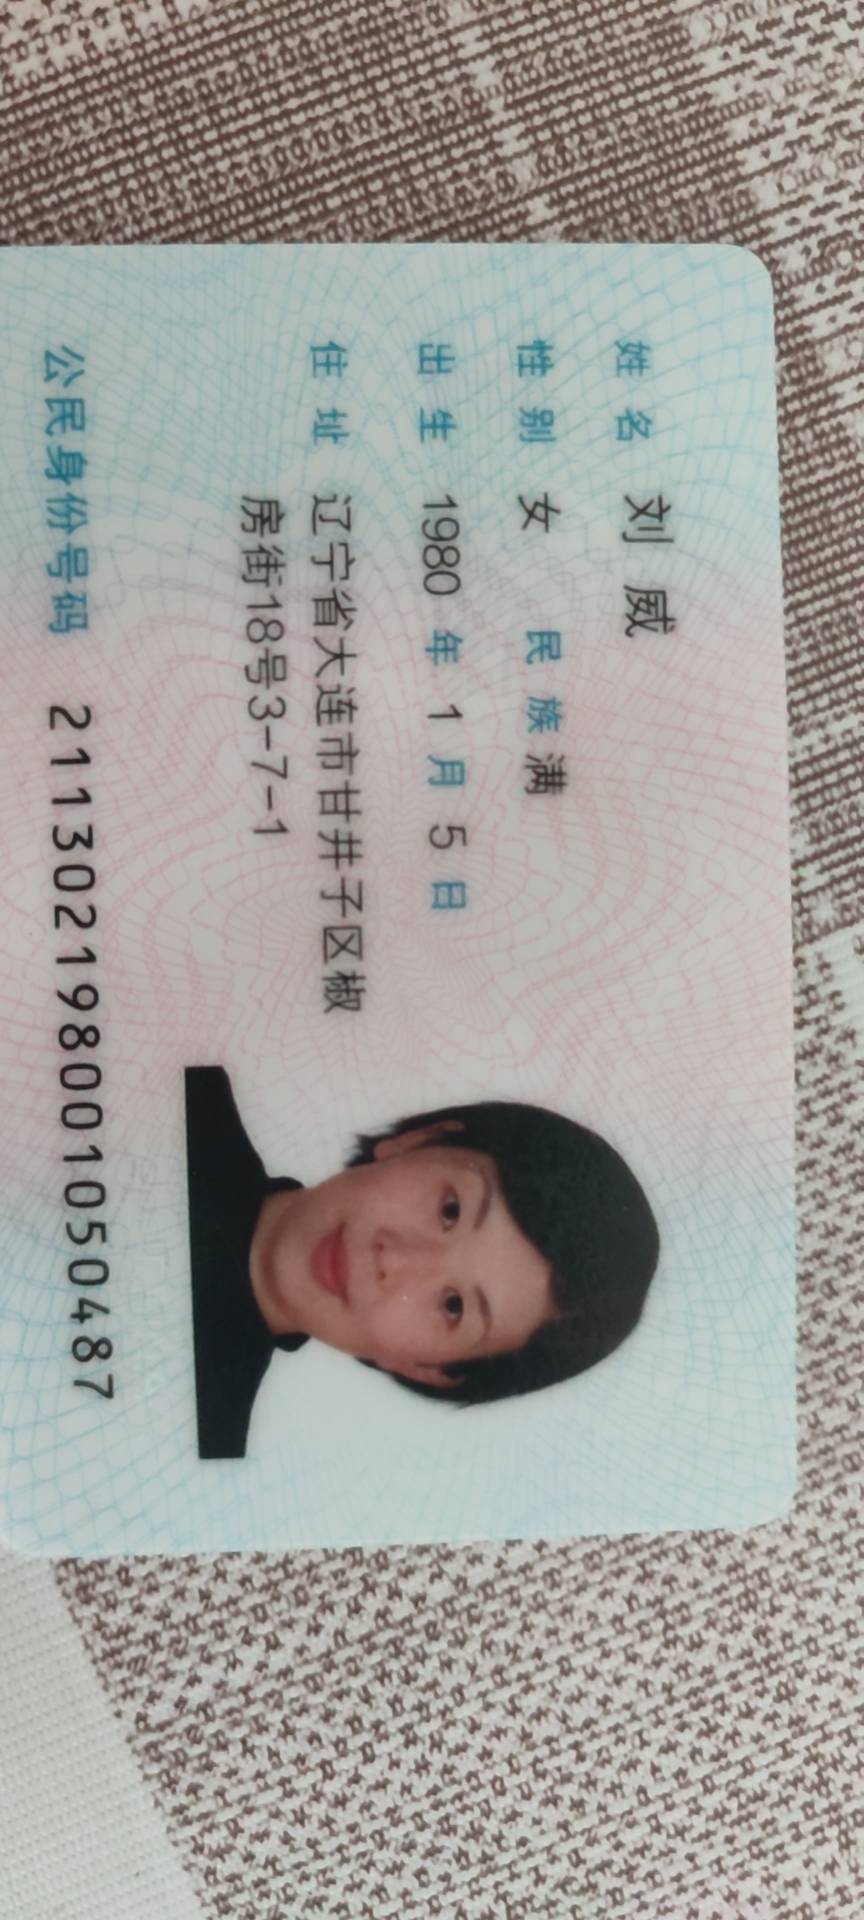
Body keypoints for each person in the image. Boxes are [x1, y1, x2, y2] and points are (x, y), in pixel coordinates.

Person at [184, 1065, 660, 1459]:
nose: (394, 1259)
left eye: (454, 1306)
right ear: (420, 1140)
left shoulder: (207, 1441)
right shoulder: (187, 1097)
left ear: (427, 1369)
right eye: (450, 1210)